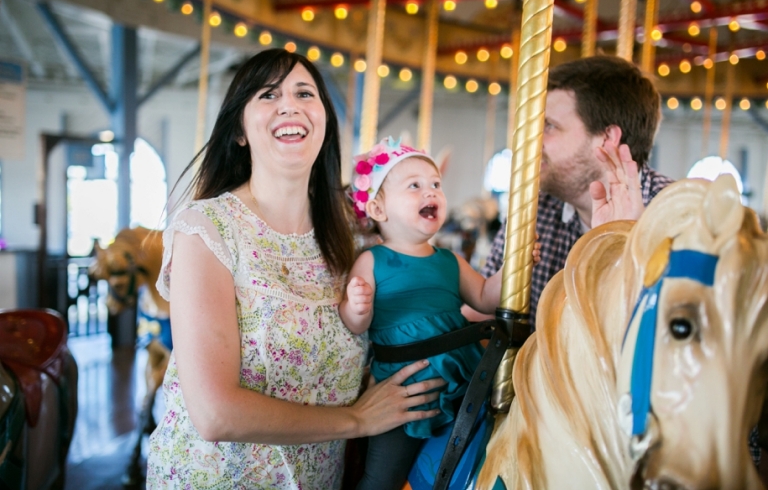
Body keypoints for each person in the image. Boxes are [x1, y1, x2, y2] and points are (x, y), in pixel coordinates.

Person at [146, 49, 446, 489]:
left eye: (305, 93)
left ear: (322, 122)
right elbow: (215, 414)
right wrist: (357, 420)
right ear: (240, 132)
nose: (289, 104)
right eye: (268, 95)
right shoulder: (206, 230)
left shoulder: (348, 237)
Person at [340, 138, 518, 490]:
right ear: (378, 208)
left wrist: (512, 269)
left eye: (436, 184)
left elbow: (484, 298)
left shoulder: (449, 261)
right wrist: (357, 307)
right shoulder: (372, 260)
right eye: (415, 186)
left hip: (463, 378)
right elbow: (354, 324)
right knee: (381, 478)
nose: (430, 192)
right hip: (403, 391)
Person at [470, 55, 674, 323]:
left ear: (606, 138)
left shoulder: (679, 218)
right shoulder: (536, 207)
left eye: (549, 126)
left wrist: (632, 246)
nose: (533, 142)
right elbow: (484, 313)